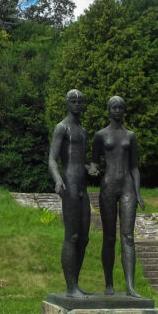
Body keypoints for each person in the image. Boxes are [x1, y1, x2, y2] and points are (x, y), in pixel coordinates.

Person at [89, 96, 145, 297]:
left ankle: (130, 286)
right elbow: (94, 161)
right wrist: (93, 169)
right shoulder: (100, 135)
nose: (118, 110)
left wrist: (138, 193)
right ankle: (109, 284)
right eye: (114, 107)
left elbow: (134, 166)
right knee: (109, 237)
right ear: (109, 109)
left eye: (121, 107)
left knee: (128, 236)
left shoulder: (130, 136)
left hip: (127, 186)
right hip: (109, 186)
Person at [48, 89, 92, 297]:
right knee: (72, 236)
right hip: (70, 185)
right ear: (67, 103)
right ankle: (70, 287)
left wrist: (90, 168)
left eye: (79, 101)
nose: (77, 104)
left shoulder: (82, 131)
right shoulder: (61, 128)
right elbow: (52, 159)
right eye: (73, 101)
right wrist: (58, 179)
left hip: (82, 186)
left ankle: (76, 283)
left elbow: (80, 161)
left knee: (84, 238)